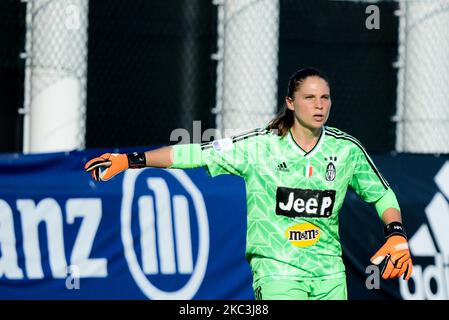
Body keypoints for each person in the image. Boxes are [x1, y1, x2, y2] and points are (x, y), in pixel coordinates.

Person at [84, 67, 413, 300]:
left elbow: (382, 194)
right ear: (290, 103)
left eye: (325, 98)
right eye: (310, 98)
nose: (319, 105)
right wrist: (130, 160)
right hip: (277, 271)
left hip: (329, 273)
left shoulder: (345, 150)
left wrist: (395, 234)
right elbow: (193, 153)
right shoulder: (259, 148)